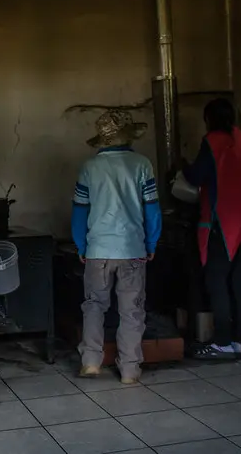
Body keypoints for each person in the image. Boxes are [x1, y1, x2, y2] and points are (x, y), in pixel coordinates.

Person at [72, 110, 161, 384]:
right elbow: (152, 211)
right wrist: (151, 242)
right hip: (132, 249)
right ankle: (130, 369)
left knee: (94, 306)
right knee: (132, 310)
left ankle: (90, 361)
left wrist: (81, 245)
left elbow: (79, 212)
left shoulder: (90, 167)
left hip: (98, 251)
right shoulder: (142, 164)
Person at [184, 98, 241, 360]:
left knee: (217, 281)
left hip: (224, 222)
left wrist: (182, 166)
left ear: (209, 119)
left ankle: (221, 342)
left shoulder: (212, 141)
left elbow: (197, 177)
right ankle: (238, 341)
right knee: (240, 282)